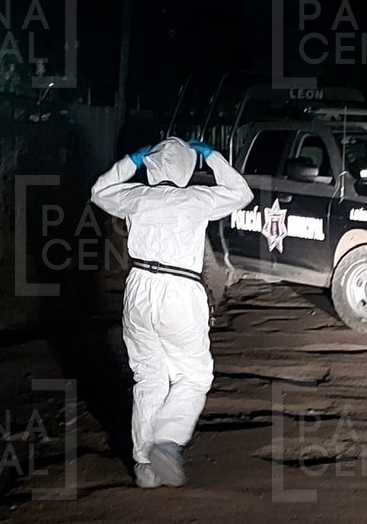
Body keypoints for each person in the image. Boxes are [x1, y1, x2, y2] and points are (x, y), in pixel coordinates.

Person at [90, 137, 252, 488]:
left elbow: (100, 191)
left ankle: (144, 466)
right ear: (185, 169)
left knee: (148, 379)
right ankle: (167, 440)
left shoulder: (137, 197)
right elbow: (241, 193)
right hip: (178, 292)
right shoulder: (195, 198)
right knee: (193, 377)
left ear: (153, 167)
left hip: (138, 288)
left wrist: (131, 161)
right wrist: (213, 158)